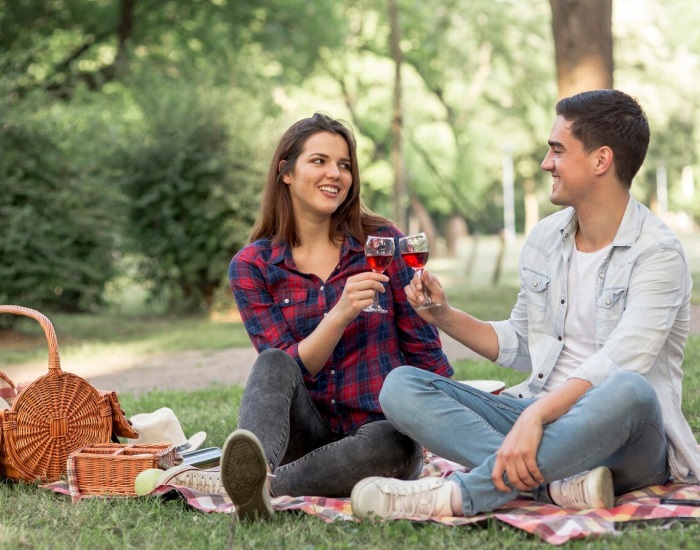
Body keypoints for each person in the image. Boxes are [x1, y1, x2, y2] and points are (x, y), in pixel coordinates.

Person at [350, 89, 700, 521]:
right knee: (401, 386)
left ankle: (456, 496)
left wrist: (536, 416)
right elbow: (520, 342)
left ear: (600, 160)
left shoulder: (657, 253)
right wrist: (443, 315)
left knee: (629, 389)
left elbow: (621, 362)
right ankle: (555, 485)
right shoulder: (545, 240)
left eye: (557, 150)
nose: (545, 163)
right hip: (541, 417)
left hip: (628, 436)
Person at [154, 113, 452, 520]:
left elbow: (423, 348)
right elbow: (284, 370)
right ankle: (258, 474)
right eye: (319, 161)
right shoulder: (253, 265)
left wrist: (458, 417)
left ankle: (252, 486)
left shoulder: (383, 243)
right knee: (272, 361)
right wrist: (341, 313)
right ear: (286, 172)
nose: (335, 174)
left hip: (376, 440)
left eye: (344, 165)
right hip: (301, 436)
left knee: (396, 442)